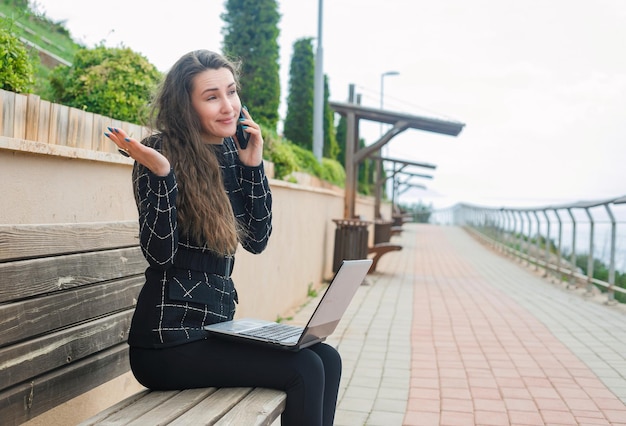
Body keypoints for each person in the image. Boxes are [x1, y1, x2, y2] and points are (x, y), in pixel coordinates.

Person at [104, 49, 341, 426]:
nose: (228, 105)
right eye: (212, 97)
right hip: (167, 343)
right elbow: (159, 254)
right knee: (305, 369)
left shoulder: (233, 150)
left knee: (326, 356)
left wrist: (253, 166)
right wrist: (163, 176)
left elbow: (257, 239)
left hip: (214, 330)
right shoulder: (159, 152)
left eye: (231, 92)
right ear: (186, 106)